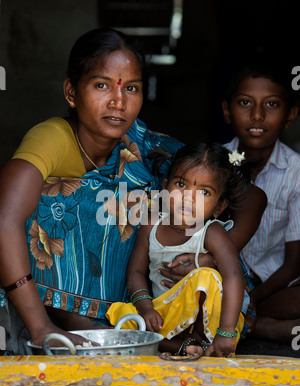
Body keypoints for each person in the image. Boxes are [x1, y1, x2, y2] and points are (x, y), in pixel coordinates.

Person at [0, 28, 266, 355]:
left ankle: (162, 335)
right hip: (82, 309)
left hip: (161, 298)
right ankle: (101, 333)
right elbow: (5, 219)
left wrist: (208, 256)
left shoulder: (146, 145)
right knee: (60, 202)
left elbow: (252, 197)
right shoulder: (50, 139)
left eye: (132, 88)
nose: (118, 101)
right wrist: (40, 328)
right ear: (71, 91)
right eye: (101, 85)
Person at [106, 143, 250, 357]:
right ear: (165, 187)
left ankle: (199, 340)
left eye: (204, 192)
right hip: (165, 315)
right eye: (181, 184)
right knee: (123, 317)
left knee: (206, 276)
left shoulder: (212, 233)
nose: (189, 198)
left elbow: (233, 276)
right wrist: (146, 308)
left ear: (219, 207)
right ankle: (183, 346)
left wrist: (227, 331)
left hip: (211, 322)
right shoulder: (150, 225)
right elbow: (135, 272)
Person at [222, 54, 300, 343]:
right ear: (227, 111)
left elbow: (293, 264)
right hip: (220, 281)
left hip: (272, 289)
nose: (257, 115)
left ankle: (250, 317)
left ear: (290, 115)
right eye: (245, 103)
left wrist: (252, 295)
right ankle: (256, 323)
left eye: (272, 104)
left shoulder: (296, 173)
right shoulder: (212, 164)